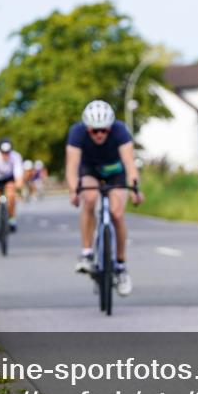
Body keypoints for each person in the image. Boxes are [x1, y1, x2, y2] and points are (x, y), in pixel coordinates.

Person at [65, 100, 143, 295]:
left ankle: (121, 266)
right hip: (89, 170)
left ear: (110, 128)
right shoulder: (77, 132)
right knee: (89, 198)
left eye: (104, 130)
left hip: (116, 172)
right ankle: (86, 254)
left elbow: (129, 163)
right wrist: (74, 190)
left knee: (117, 214)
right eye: (94, 131)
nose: (99, 134)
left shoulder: (120, 130)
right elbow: (72, 166)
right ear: (87, 128)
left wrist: (134, 188)